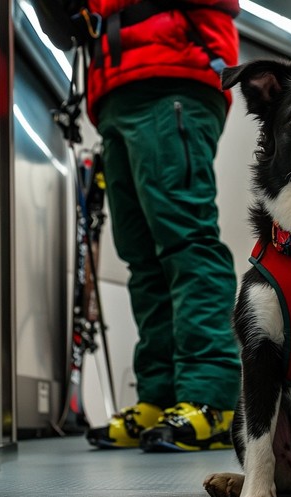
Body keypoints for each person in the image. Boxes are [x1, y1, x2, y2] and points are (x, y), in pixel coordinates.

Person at [78, 0, 242, 452]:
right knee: (142, 257)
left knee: (186, 241)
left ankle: (212, 398)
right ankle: (160, 396)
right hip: (113, 86)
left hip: (173, 70)